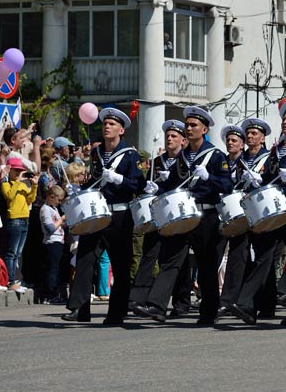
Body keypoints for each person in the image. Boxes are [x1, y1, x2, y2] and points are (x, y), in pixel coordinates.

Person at [134, 107, 231, 325]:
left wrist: (209, 178)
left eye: (193, 125)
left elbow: (227, 184)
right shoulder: (183, 157)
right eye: (187, 125)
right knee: (170, 259)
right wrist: (156, 187)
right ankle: (157, 306)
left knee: (206, 265)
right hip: (181, 214)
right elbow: (173, 186)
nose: (188, 128)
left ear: (204, 129)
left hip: (206, 214)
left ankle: (209, 312)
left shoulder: (215, 156)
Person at [230, 100, 286, 326]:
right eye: (284, 119)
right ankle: (247, 304)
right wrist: (260, 180)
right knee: (262, 256)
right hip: (272, 208)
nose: (285, 122)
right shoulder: (275, 152)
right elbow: (270, 179)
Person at [61, 108, 144, 324]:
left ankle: (116, 313)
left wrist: (119, 179)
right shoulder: (97, 154)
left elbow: (138, 184)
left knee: (120, 264)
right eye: (105, 123)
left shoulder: (130, 155)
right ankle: (80, 308)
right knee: (85, 258)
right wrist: (80, 190)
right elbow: (95, 181)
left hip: (119, 216)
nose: (107, 127)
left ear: (121, 130)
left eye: (112, 124)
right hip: (96, 214)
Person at [128, 120, 191, 316]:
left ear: (183, 140)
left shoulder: (188, 160)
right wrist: (150, 187)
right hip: (157, 214)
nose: (170, 139)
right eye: (168, 136)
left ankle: (181, 302)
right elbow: (148, 185)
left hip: (177, 213)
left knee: (177, 259)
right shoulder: (157, 161)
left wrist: (169, 183)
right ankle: (137, 299)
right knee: (149, 253)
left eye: (174, 136)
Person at [217, 118, 270, 316]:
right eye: (248, 134)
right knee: (237, 255)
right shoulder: (240, 159)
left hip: (261, 209)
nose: (250, 137)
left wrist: (260, 181)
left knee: (263, 256)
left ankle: (263, 302)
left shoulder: (269, 157)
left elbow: (275, 181)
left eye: (254, 134)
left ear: (262, 138)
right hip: (241, 210)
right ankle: (228, 300)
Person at [0, 156, 39, 291]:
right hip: (14, 220)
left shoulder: (22, 185)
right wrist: (17, 181)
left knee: (18, 253)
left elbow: (30, 200)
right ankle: (10, 280)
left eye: (20, 170)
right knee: (11, 253)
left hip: (25, 219)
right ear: (10, 170)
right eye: (16, 170)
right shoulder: (6, 184)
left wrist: (34, 185)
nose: (18, 173)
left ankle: (13, 279)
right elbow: (9, 196)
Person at [40, 185, 67, 303]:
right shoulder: (45, 209)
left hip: (59, 240)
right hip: (51, 242)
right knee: (52, 269)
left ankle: (54, 293)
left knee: (56, 268)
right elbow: (50, 228)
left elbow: (57, 225)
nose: (60, 203)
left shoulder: (54, 208)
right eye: (59, 200)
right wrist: (61, 220)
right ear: (52, 197)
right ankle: (50, 295)